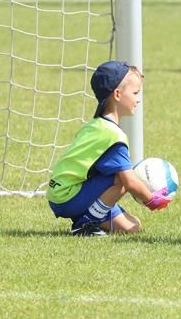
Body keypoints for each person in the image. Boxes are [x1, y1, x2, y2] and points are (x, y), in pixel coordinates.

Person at [46, 61, 172, 236]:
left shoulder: (94, 125)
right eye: (135, 93)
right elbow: (129, 182)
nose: (138, 99)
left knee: (133, 226)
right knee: (121, 177)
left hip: (59, 193)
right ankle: (85, 224)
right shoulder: (113, 136)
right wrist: (152, 200)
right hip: (68, 196)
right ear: (118, 94)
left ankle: (89, 215)